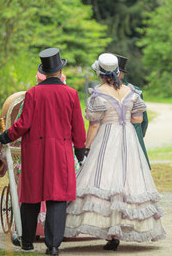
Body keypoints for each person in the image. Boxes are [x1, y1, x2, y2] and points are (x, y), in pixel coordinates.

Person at [64, 53, 166, 250]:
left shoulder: (99, 93)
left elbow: (94, 125)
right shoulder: (131, 91)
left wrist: (86, 146)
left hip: (107, 137)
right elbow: (137, 119)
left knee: (105, 177)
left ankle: (110, 232)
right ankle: (121, 228)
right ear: (118, 72)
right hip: (128, 137)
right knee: (129, 180)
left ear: (101, 74)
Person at [0, 48, 86, 255]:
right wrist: (80, 151)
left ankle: (27, 241)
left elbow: (22, 124)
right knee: (57, 198)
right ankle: (53, 245)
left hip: (35, 153)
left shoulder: (33, 93)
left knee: (31, 196)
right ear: (59, 71)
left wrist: (5, 136)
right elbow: (78, 127)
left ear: (44, 72)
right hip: (61, 153)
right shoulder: (71, 94)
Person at [115, 54, 150, 169]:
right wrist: (140, 135)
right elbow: (144, 120)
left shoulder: (104, 90)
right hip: (134, 133)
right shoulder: (136, 90)